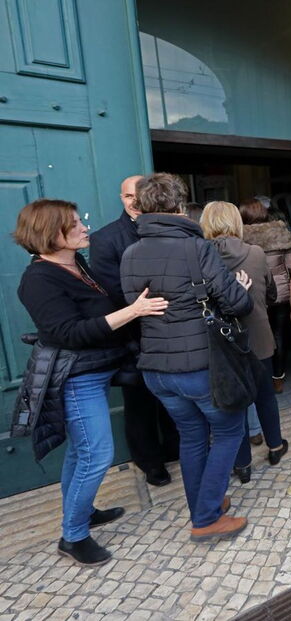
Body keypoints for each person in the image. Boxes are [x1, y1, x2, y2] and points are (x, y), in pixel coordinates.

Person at [15, 199, 168, 566]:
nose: (85, 227)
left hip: (97, 371)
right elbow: (70, 332)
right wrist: (133, 312)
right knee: (97, 454)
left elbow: (99, 307)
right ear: (52, 234)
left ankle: (83, 512)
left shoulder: (75, 264)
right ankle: (74, 536)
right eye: (74, 224)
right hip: (76, 378)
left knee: (81, 452)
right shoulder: (38, 279)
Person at [121, 173, 254, 543]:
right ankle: (207, 519)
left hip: (156, 370)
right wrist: (241, 289)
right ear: (180, 206)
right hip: (197, 366)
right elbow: (236, 303)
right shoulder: (197, 248)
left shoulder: (130, 253)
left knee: (192, 438)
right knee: (227, 432)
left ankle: (204, 506)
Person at [89, 175, 179, 487]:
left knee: (172, 397)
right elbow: (109, 292)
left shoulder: (172, 230)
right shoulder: (106, 238)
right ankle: (150, 463)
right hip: (134, 337)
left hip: (173, 332)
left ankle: (175, 449)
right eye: (129, 196)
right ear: (121, 198)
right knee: (140, 405)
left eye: (140, 195)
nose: (135, 202)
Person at [200, 201, 288, 483]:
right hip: (258, 336)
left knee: (235, 405)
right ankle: (275, 447)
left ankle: (243, 465)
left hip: (223, 344)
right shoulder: (256, 253)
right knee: (265, 396)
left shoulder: (200, 259)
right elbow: (272, 293)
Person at [240, 196, 291, 393]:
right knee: (279, 333)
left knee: (255, 333)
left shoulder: (238, 237)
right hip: (281, 294)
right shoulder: (280, 232)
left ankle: (259, 377)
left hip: (252, 293)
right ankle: (278, 378)